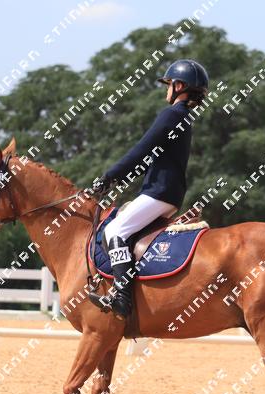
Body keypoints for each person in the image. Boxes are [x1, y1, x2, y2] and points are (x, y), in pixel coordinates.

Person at [89, 59, 209, 319]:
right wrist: (118, 179)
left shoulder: (171, 114)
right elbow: (148, 158)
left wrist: (108, 176)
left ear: (179, 86)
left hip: (159, 192)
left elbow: (141, 149)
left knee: (114, 231)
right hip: (168, 193)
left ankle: (122, 298)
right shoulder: (184, 117)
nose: (166, 89)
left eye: (169, 84)